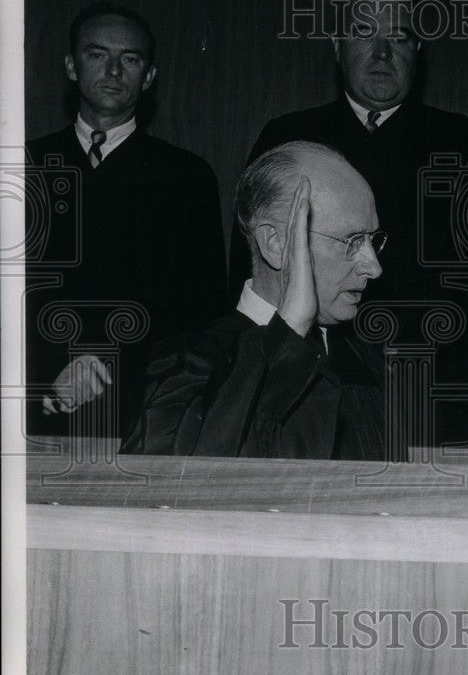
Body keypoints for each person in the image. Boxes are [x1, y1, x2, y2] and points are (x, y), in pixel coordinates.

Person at [227, 0, 468, 445]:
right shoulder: (288, 138)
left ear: (419, 51)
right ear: (336, 45)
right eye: (363, 33)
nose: (381, 53)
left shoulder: (466, 142)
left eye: (399, 37)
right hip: (302, 387)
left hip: (430, 394)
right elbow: (247, 274)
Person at [25, 1, 227, 437]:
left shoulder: (187, 176)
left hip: (145, 415)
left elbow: (202, 313)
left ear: (149, 77)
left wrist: (107, 361)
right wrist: (50, 377)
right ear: (71, 66)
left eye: (130, 59)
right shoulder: (25, 167)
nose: (114, 71)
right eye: (97, 55)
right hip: (30, 404)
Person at [121, 142, 388, 459]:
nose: (374, 267)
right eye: (352, 241)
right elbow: (177, 486)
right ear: (275, 243)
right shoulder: (187, 362)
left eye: (373, 240)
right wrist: (289, 332)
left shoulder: (366, 361)